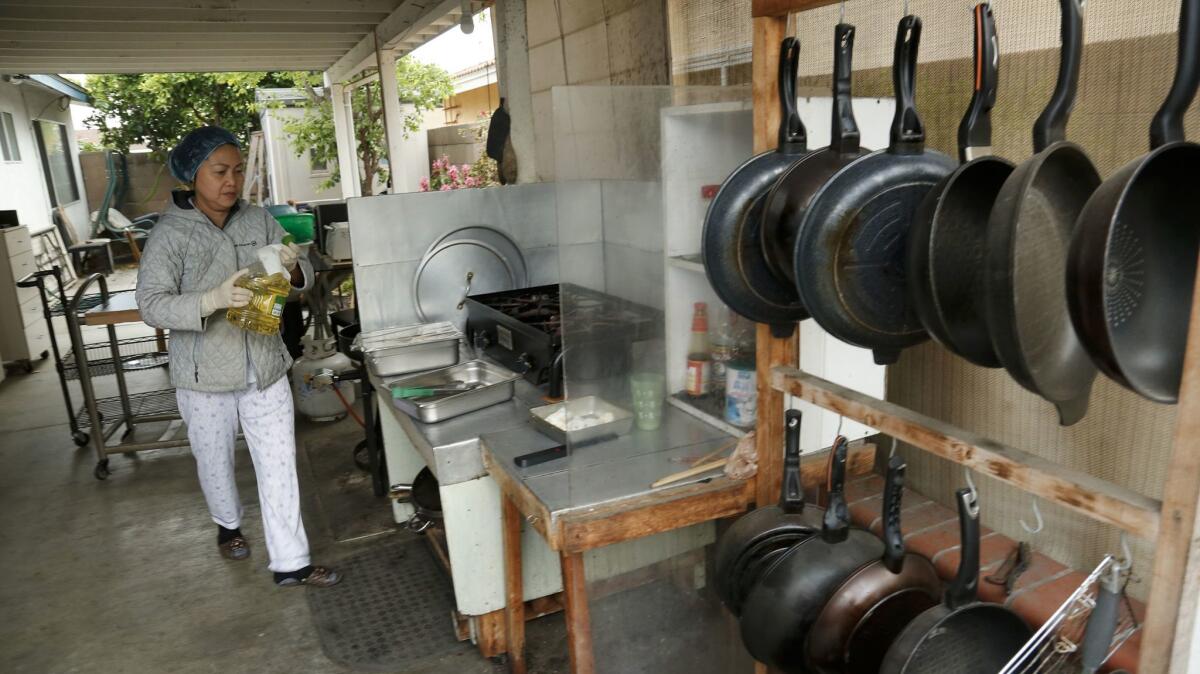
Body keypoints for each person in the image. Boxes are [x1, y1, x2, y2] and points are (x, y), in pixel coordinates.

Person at [136, 126, 340, 588]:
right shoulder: (169, 235)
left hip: (264, 365)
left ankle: (292, 563)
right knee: (214, 460)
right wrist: (209, 300)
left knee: (279, 462)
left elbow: (296, 280)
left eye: (236, 170)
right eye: (220, 171)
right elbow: (151, 304)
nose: (232, 181)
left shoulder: (258, 220)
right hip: (204, 373)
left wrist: (293, 268)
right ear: (193, 175)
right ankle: (227, 525)